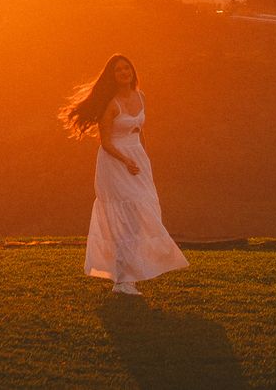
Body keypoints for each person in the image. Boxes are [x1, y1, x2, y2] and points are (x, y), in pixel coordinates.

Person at [60, 53, 190, 295]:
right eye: (118, 70)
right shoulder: (111, 104)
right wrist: (126, 160)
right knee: (124, 218)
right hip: (115, 162)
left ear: (132, 72)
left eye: (126, 68)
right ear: (112, 76)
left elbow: (140, 130)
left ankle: (133, 271)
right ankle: (122, 280)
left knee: (143, 212)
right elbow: (106, 142)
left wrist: (144, 158)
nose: (124, 73)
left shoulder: (141, 96)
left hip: (137, 159)